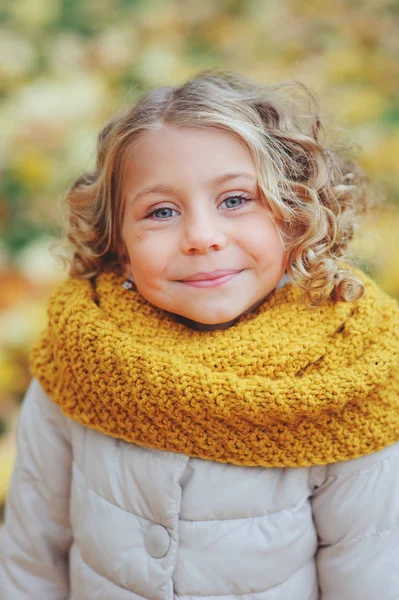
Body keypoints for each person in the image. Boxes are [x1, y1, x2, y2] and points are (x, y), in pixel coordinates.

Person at [1, 69, 398, 600]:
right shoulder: (79, 359)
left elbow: (372, 568)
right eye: (161, 211)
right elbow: (31, 556)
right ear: (116, 239)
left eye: (235, 200)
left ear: (294, 211)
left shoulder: (347, 372)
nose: (202, 238)